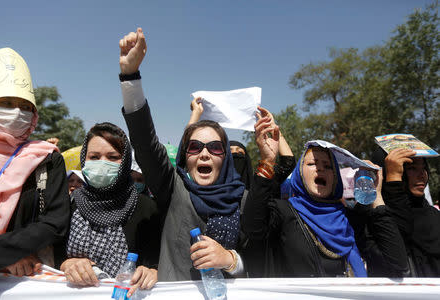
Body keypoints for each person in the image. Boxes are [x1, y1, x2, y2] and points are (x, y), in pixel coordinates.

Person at [119, 28, 247, 281]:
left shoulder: (244, 200)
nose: (204, 154)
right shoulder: (174, 187)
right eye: (195, 147)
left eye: (215, 148)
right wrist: (129, 76)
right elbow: (145, 143)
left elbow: (263, 258)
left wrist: (230, 260)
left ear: (226, 158)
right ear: (185, 157)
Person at [242, 114, 408, 277]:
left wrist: (376, 195)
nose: (320, 169)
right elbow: (252, 228)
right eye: (312, 163)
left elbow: (398, 264)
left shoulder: (350, 218)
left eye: (328, 166)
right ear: (300, 173)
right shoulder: (284, 212)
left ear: (336, 177)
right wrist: (268, 161)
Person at [0, 48, 70, 275]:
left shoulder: (47, 158)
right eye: (6, 103)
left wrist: (0, 254)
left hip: (24, 280)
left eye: (26, 107)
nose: (17, 112)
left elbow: (53, 224)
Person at [61, 123, 160, 295]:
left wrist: (152, 272)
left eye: (112, 157)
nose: (102, 164)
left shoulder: (146, 208)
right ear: (84, 159)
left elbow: (157, 261)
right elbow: (53, 253)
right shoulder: (70, 203)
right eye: (94, 157)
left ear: (126, 161)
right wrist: (66, 264)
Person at [372, 148, 440, 276]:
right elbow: (400, 230)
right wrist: (394, 183)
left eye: (424, 168)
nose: (421, 174)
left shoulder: (435, 216)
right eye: (412, 168)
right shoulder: (377, 222)